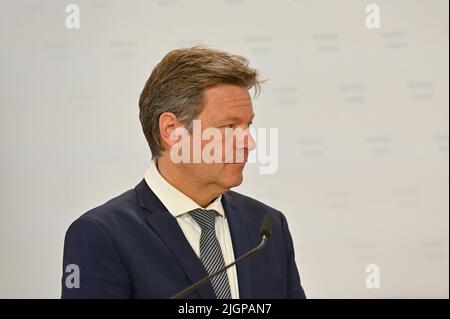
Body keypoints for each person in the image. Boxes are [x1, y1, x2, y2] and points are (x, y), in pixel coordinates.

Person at [61, 46, 306, 299]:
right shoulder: (101, 235)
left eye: (248, 125)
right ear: (171, 130)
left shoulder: (267, 227)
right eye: (229, 126)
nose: (249, 143)